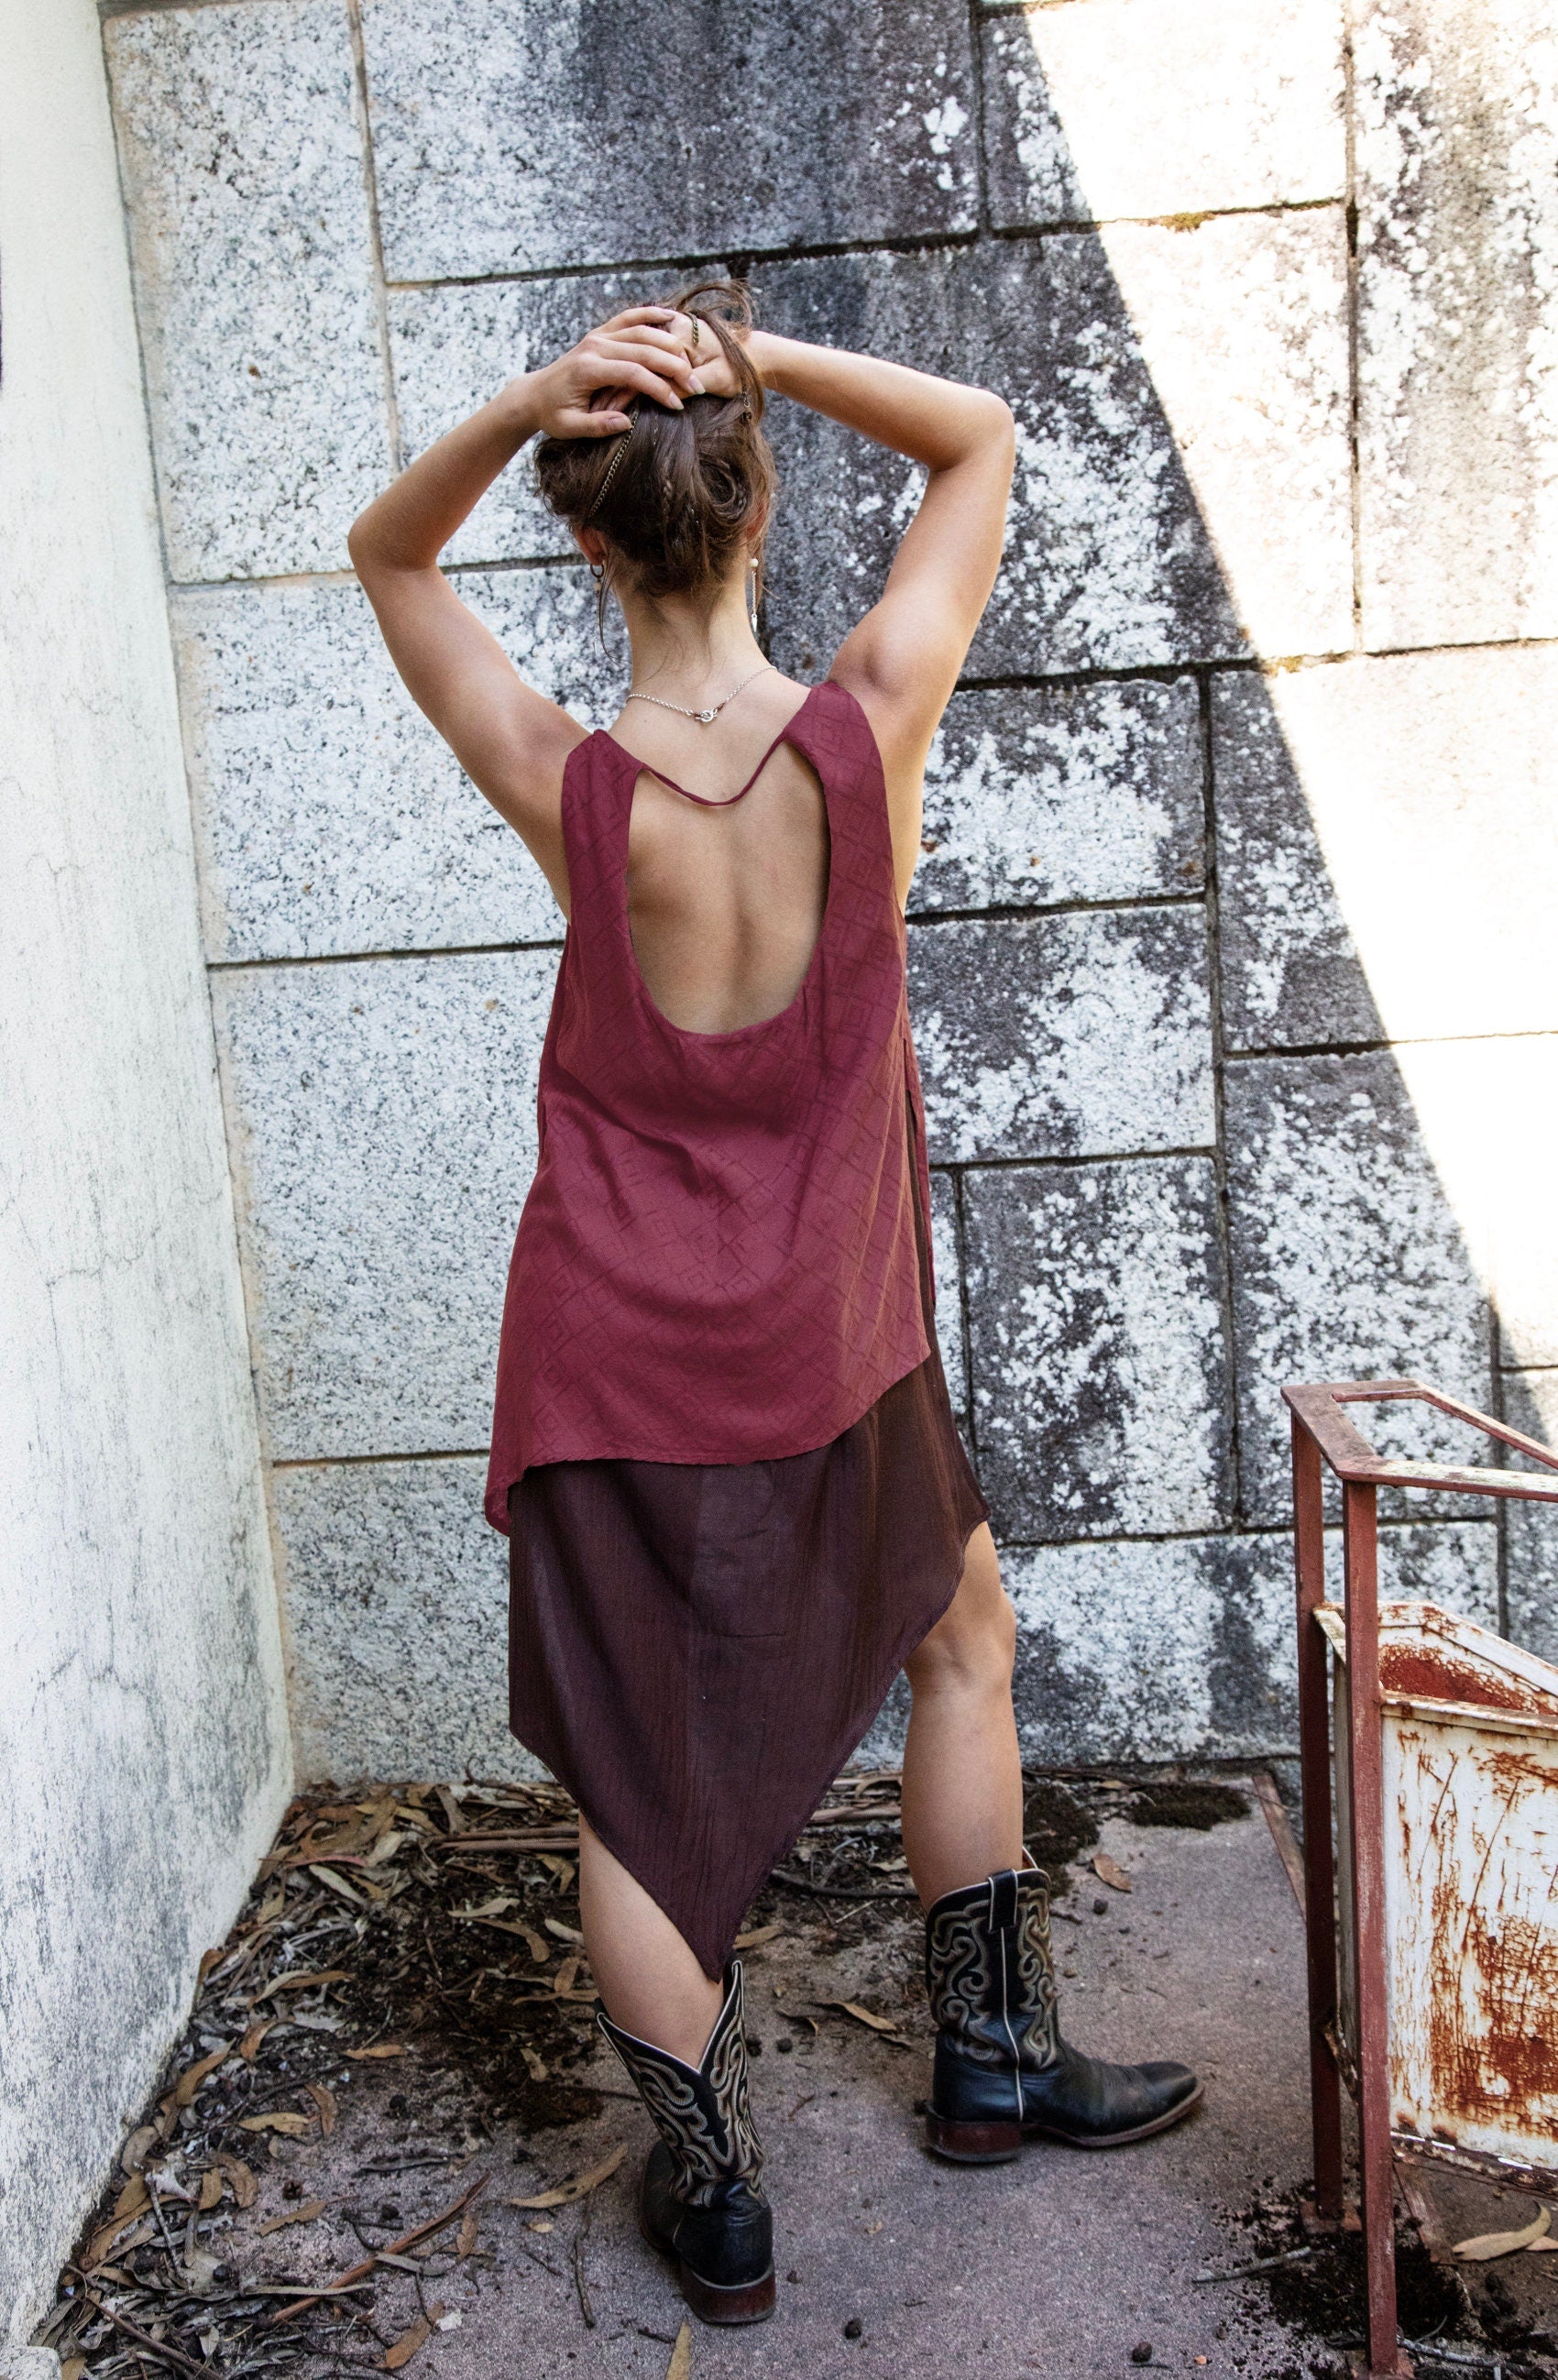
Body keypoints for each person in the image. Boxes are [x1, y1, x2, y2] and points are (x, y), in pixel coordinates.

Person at [347, 281, 1200, 2329]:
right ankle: (988, 2061)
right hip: (834, 1336)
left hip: (614, 1354)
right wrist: (772, 359)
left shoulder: (566, 782)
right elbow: (979, 433)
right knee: (961, 1640)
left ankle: (721, 2197)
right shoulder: (870, 721)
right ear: (758, 506)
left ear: (586, 540)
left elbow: (387, 555)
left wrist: (536, 395)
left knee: (641, 1777)